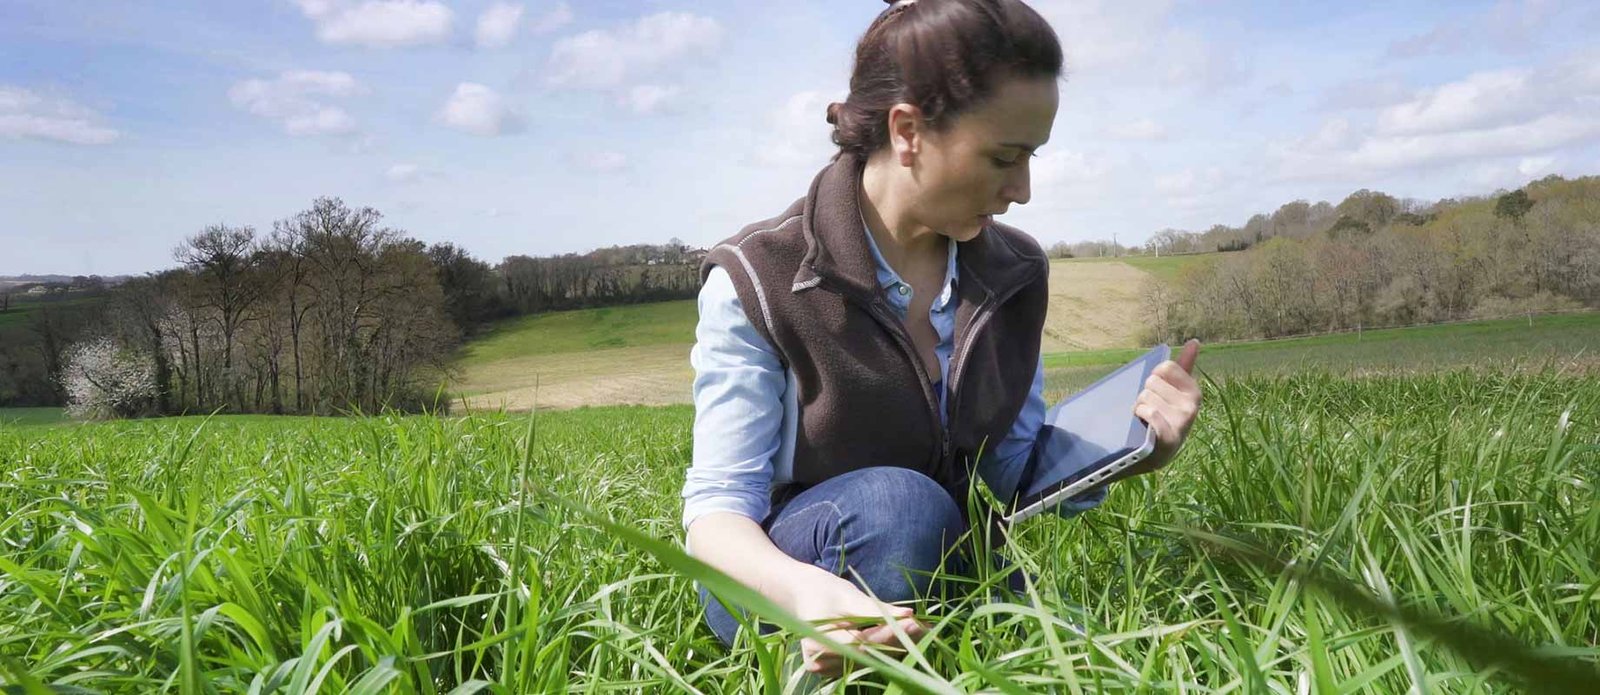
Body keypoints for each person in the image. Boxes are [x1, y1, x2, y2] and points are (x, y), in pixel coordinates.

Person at [681, 0, 1203, 678]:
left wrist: (1136, 448)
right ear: (908, 131)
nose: (1022, 189)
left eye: (1031, 157)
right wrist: (806, 596)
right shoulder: (758, 277)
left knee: (1094, 649)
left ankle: (939, 641)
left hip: (942, 556)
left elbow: (1006, 474)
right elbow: (718, 515)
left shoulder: (1014, 274)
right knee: (903, 509)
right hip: (772, 576)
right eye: (1002, 157)